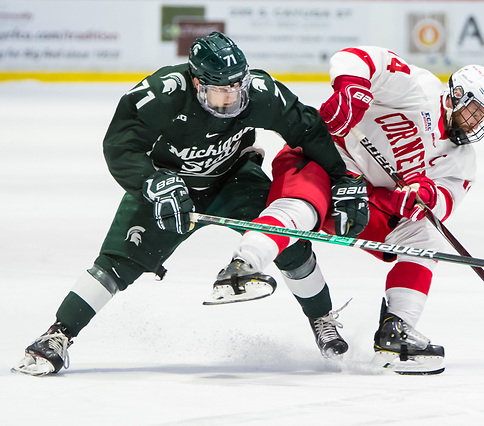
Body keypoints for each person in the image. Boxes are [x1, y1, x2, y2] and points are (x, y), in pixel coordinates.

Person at [12, 32, 368, 376]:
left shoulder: (260, 93)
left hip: (234, 179)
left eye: (236, 87)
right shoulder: (161, 93)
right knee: (117, 264)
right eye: (220, 91)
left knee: (286, 238)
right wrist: (152, 181)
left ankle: (321, 318)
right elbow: (120, 146)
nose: (231, 98)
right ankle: (57, 334)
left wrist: (344, 178)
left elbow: (309, 131)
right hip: (170, 188)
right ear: (197, 83)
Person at [220, 46, 484, 374]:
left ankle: (396, 333)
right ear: (453, 97)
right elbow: (358, 58)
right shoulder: (420, 89)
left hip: (365, 199)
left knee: (426, 236)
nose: (474, 125)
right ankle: (243, 264)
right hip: (323, 159)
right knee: (303, 206)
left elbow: (443, 201)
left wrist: (423, 197)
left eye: (483, 120)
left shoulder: (462, 159)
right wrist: (352, 88)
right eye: (473, 113)